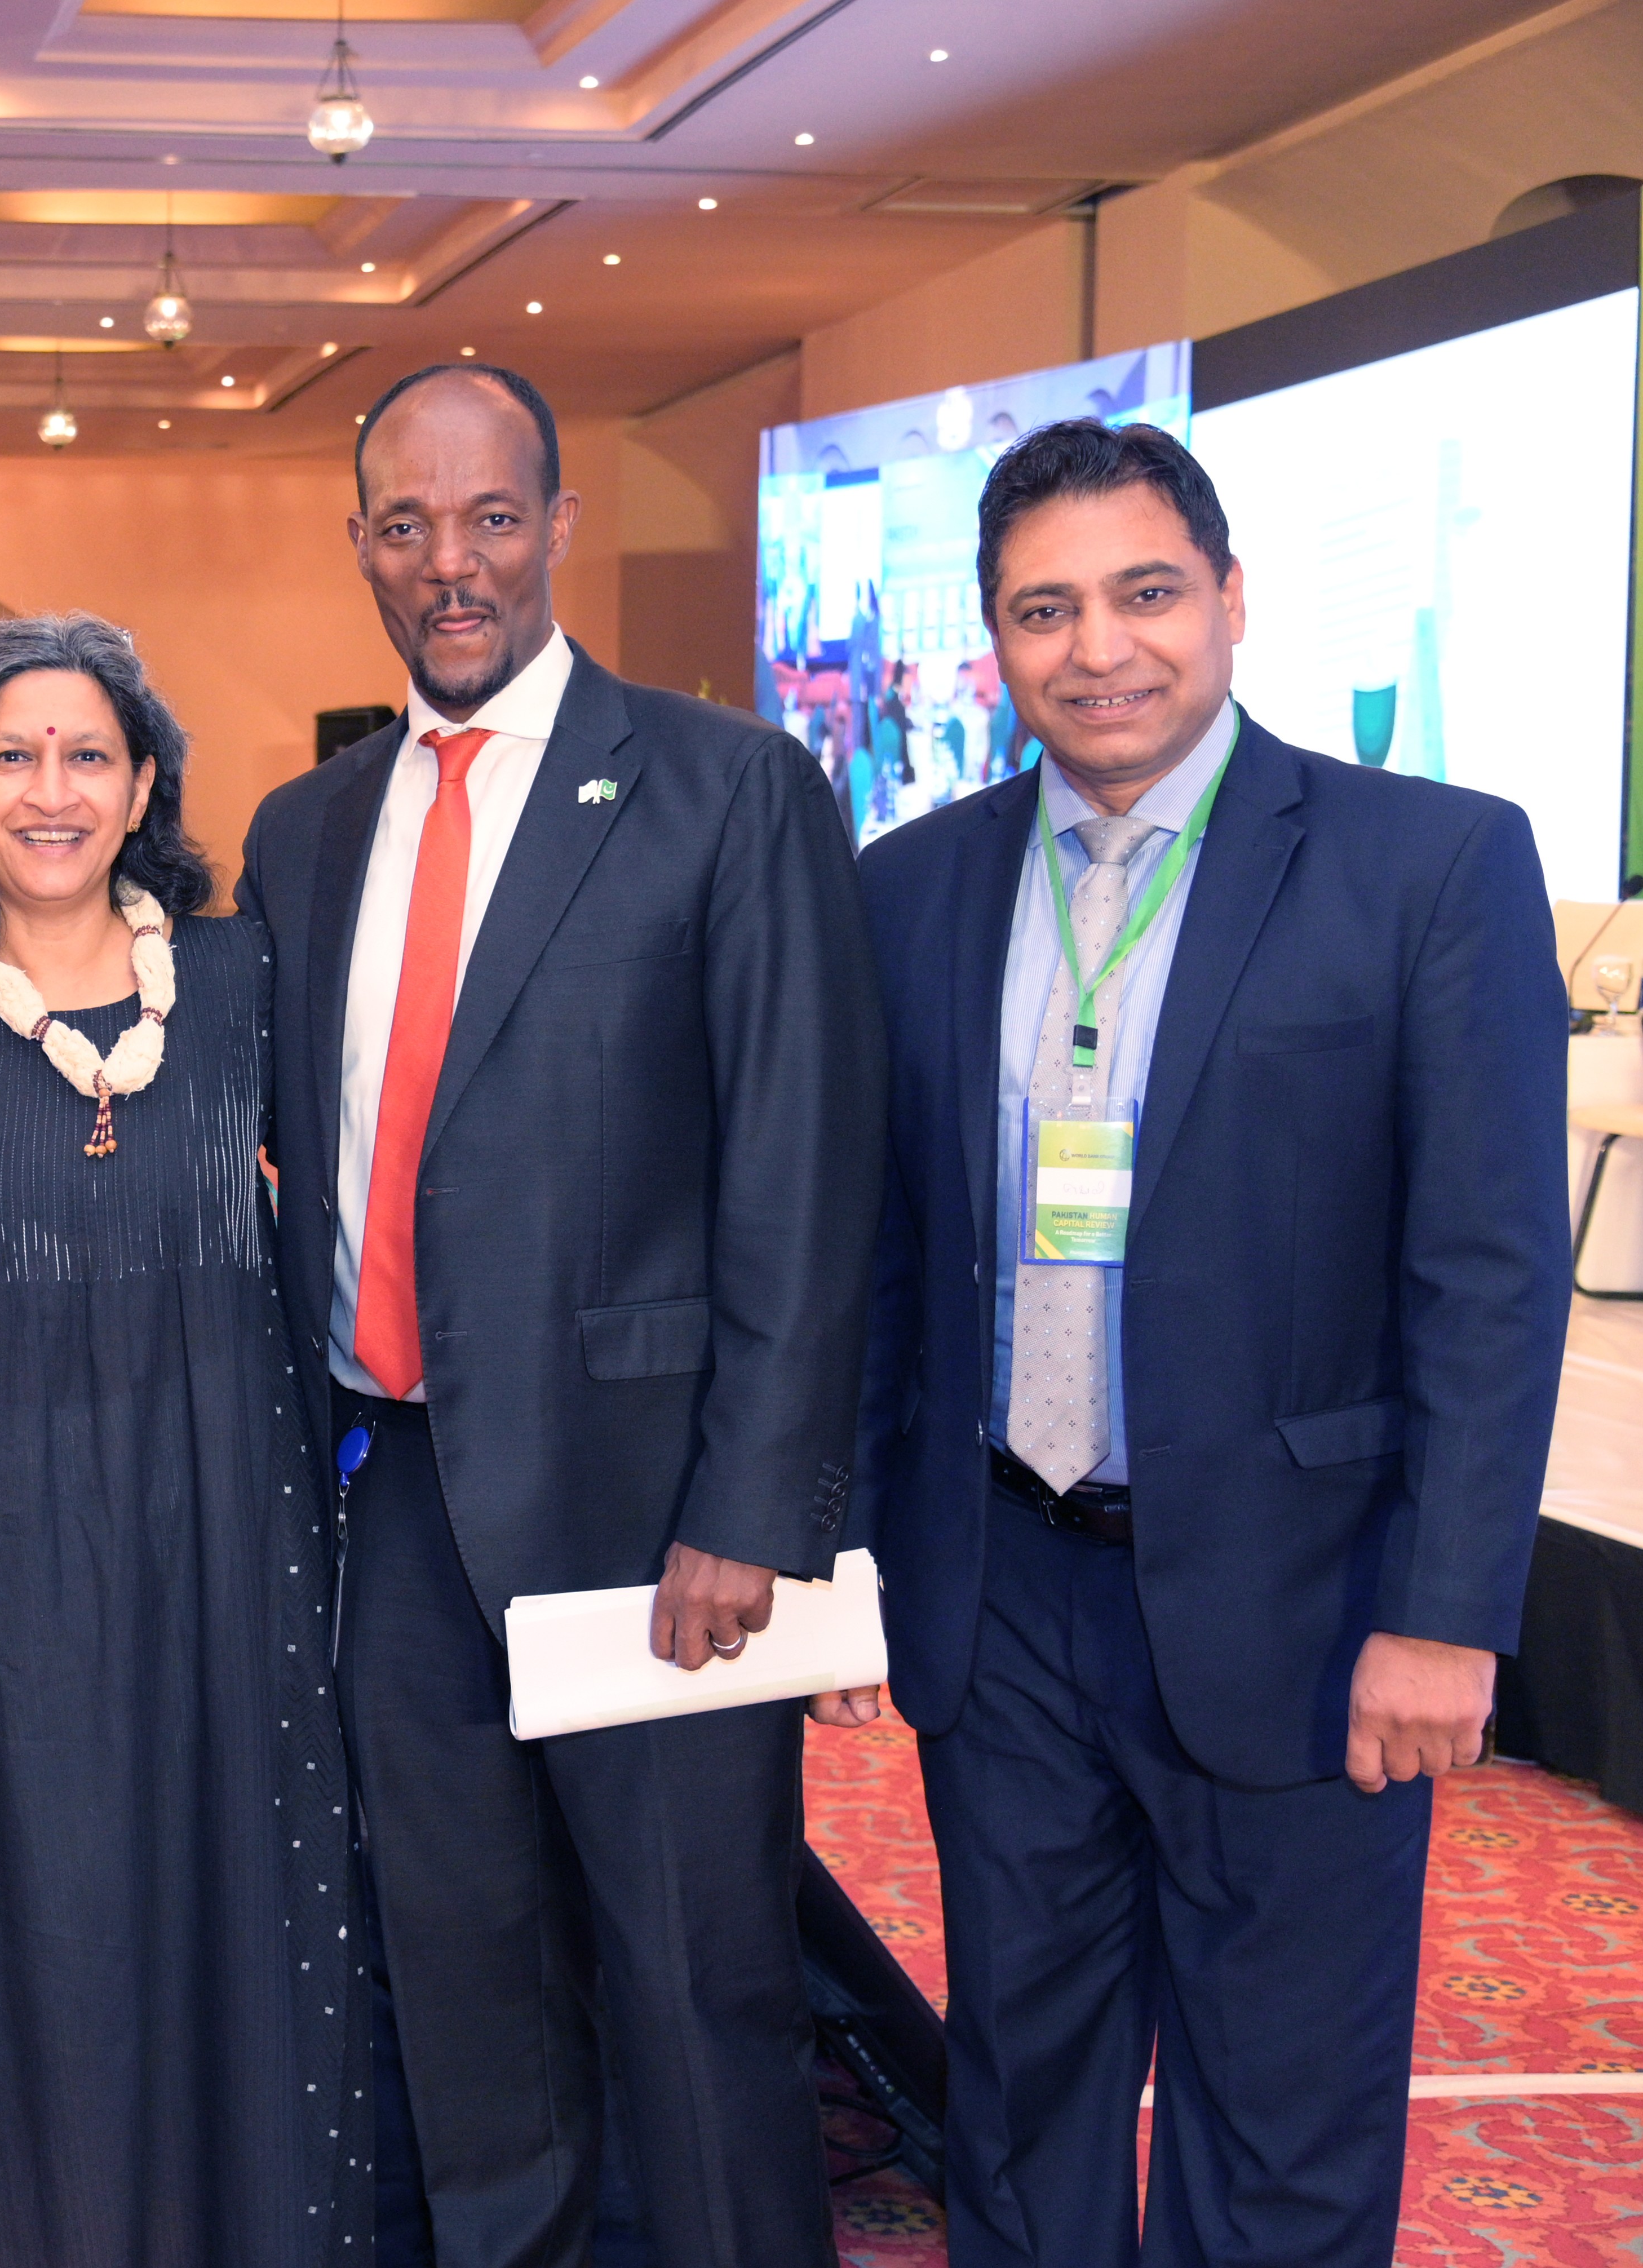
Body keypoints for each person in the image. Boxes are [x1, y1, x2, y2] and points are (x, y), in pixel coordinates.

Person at [845, 418, 1569, 2267]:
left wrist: (1443, 1608)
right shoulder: (906, 886)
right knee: (1018, 2092)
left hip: (1307, 1601)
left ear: (1231, 600)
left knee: (1279, 2122)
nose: (1097, 647)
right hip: (998, 1590)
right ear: (988, 646)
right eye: (1042, 608)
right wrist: (847, 1556)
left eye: (1143, 592)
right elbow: (875, 1256)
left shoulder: (1426, 863)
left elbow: (1485, 1273)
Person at [237, 363, 885, 2268]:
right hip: (394, 1502)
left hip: (647, 1519)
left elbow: (800, 1167)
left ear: (557, 526)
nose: (450, 566)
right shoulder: (301, 828)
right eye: (405, 525)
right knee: (465, 1991)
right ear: (360, 542)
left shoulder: (724, 786)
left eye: (489, 518)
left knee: (693, 1990)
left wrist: (750, 1509)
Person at [0, 615, 364, 2266]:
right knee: (10, 1936)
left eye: (87, 756)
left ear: (142, 787)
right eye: (12, 757)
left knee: (223, 1924)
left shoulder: (250, 982)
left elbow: (372, 1217)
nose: (51, 791)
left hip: (221, 1548)